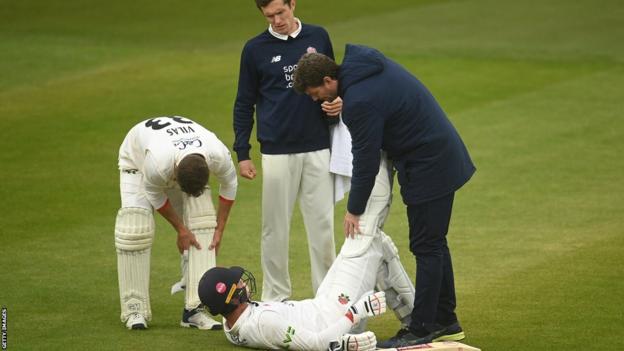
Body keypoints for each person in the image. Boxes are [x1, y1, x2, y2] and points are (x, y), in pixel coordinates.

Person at [293, 44, 476, 347]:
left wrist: (353, 210)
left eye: (314, 93)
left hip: (430, 164)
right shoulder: (362, 69)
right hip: (438, 155)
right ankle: (446, 320)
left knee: (426, 246)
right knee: (434, 243)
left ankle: (421, 329)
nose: (316, 99)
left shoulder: (360, 102)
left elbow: (364, 163)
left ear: (328, 81)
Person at [197, 148, 417, 351]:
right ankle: (378, 150)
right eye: (238, 284)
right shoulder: (264, 324)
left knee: (376, 243)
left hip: (322, 304)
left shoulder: (231, 325)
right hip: (336, 315)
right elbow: (316, 344)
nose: (244, 282)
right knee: (366, 232)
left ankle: (416, 319)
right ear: (233, 299)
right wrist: (358, 311)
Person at [233, 0, 343, 302]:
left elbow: (334, 84)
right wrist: (242, 152)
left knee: (322, 226)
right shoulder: (254, 49)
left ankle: (327, 297)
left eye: (281, 12)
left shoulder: (318, 36)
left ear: (293, 4)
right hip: (277, 151)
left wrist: (336, 106)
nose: (277, 20)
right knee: (274, 229)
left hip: (319, 146)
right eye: (270, 16)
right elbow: (244, 102)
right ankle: (275, 298)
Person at [115, 116, 237, 330]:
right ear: (175, 177)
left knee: (203, 223)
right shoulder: (158, 166)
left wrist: (219, 230)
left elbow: (229, 185)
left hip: (177, 154)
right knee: (135, 229)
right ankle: (135, 309)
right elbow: (154, 193)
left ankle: (194, 309)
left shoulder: (217, 153)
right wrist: (180, 229)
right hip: (136, 161)